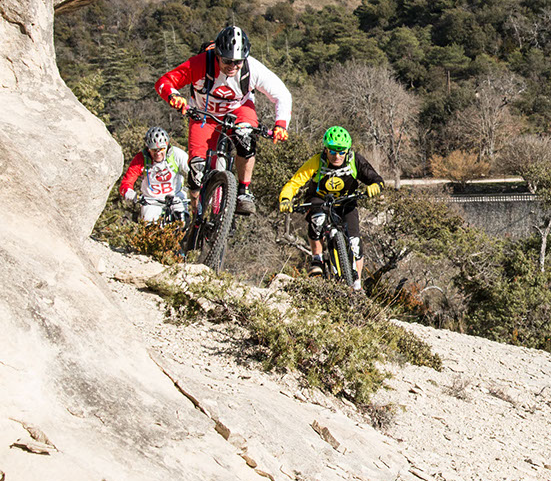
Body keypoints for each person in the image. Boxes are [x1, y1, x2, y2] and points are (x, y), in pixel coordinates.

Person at [155, 23, 291, 215]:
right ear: (217, 55)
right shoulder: (200, 63)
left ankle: (244, 191)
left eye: (238, 62)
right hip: (203, 115)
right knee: (196, 167)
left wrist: (281, 124)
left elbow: (281, 95)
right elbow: (164, 81)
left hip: (239, 111)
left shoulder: (252, 68)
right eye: (227, 61)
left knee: (246, 138)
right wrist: (174, 96)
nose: (233, 66)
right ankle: (195, 209)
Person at [278, 126, 384, 292]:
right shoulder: (316, 161)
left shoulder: (355, 160)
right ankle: (317, 259)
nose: (337, 156)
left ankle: (357, 284)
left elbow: (375, 178)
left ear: (347, 150)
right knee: (317, 220)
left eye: (341, 152)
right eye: (333, 151)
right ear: (325, 149)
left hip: (346, 201)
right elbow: (294, 183)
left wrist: (375, 186)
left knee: (355, 243)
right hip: (319, 199)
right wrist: (285, 199)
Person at [118, 127, 190, 223]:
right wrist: (129, 192)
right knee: (149, 227)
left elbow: (194, 173)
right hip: (151, 201)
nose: (158, 153)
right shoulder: (141, 159)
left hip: (175, 197)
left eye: (162, 149)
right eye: (154, 150)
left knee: (183, 221)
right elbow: (127, 181)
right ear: (148, 149)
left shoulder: (177, 155)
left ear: (167, 146)